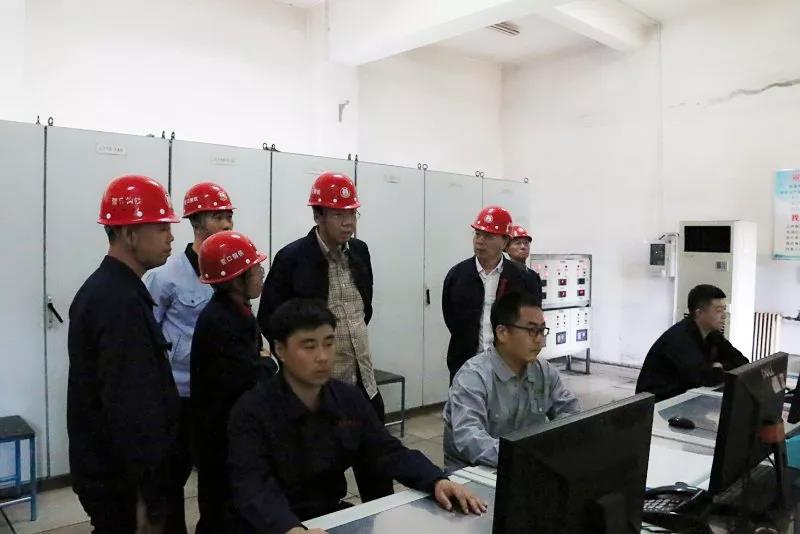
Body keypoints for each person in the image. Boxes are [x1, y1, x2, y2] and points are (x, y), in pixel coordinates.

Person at [228, 298, 487, 533]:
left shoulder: (347, 399)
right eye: (309, 346)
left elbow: (386, 451)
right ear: (280, 350)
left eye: (329, 343)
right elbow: (252, 485)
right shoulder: (252, 410)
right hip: (269, 525)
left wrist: (436, 480)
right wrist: (290, 528)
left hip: (330, 516)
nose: (323, 356)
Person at [257, 172, 392, 501]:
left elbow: (364, 309)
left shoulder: (360, 252)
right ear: (318, 216)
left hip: (364, 385)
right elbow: (271, 319)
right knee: (322, 487)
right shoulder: (292, 259)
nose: (348, 223)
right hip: (319, 393)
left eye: (352, 214)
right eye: (338, 214)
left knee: (379, 474)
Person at [67, 174, 182, 533]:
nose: (171, 237)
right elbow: (132, 408)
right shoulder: (118, 303)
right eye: (161, 227)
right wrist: (148, 494)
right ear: (129, 234)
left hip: (117, 477)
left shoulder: (114, 290)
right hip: (123, 483)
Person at [144, 181, 235, 530]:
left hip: (217, 396)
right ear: (196, 222)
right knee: (172, 480)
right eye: (218, 216)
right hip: (179, 397)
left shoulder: (229, 272)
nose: (226, 224)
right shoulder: (165, 277)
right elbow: (149, 338)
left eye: (228, 216)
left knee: (217, 476)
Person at [190, 230, 277, 532]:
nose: (261, 273)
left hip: (228, 433)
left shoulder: (235, 310)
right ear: (236, 279)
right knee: (221, 513)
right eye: (255, 269)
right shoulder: (222, 321)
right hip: (220, 438)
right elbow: (248, 375)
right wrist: (268, 363)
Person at [443, 292, 580, 470]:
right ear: (502, 333)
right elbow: (470, 440)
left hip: (528, 466)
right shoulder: (473, 377)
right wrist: (526, 456)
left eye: (542, 331)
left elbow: (570, 412)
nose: (540, 340)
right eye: (532, 331)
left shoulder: (544, 371)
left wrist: (551, 444)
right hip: (475, 472)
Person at [442, 206, 543, 382]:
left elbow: (533, 322)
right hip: (466, 365)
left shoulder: (524, 279)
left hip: (512, 366)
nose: (480, 241)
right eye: (477, 234)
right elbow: (451, 318)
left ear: (505, 242)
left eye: (489, 236)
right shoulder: (457, 276)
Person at [636, 284, 749, 402]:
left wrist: (720, 367)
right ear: (699, 313)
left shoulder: (713, 334)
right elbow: (703, 378)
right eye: (718, 311)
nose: (724, 316)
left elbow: (742, 362)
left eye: (724, 310)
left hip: (684, 397)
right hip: (658, 403)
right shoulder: (680, 338)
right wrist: (717, 370)